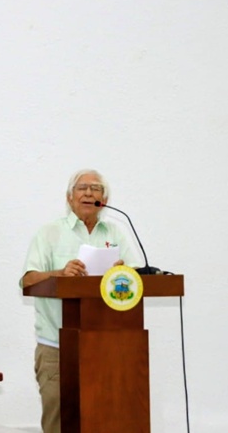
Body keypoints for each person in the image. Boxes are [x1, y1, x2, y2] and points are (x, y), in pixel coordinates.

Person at [20, 169, 142, 433]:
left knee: (106, 420)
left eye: (96, 188)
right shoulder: (49, 233)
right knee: (59, 423)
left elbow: (138, 277)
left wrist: (122, 272)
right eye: (82, 187)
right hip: (57, 346)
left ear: (104, 200)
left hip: (106, 346)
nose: (89, 193)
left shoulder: (116, 234)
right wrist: (59, 273)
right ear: (69, 197)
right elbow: (28, 280)